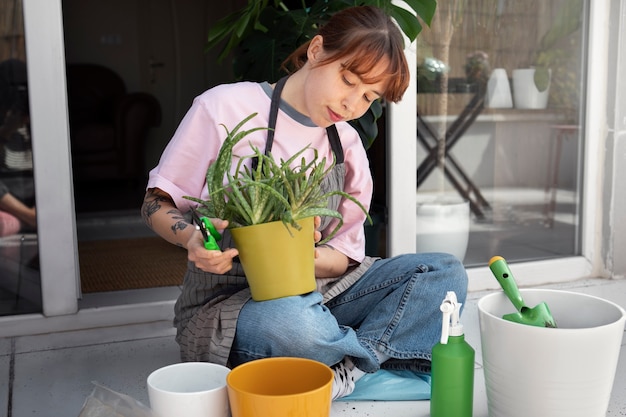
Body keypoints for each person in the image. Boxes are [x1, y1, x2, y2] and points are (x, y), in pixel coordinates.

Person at [142, 5, 468, 400]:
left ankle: (345, 370)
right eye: (347, 80)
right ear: (316, 51)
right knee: (296, 325)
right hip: (233, 306)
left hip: (322, 295)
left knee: (443, 272)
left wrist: (303, 253)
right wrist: (193, 238)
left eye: (369, 96)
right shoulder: (224, 107)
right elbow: (155, 204)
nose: (352, 105)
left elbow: (345, 258)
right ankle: (370, 362)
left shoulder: (345, 145)